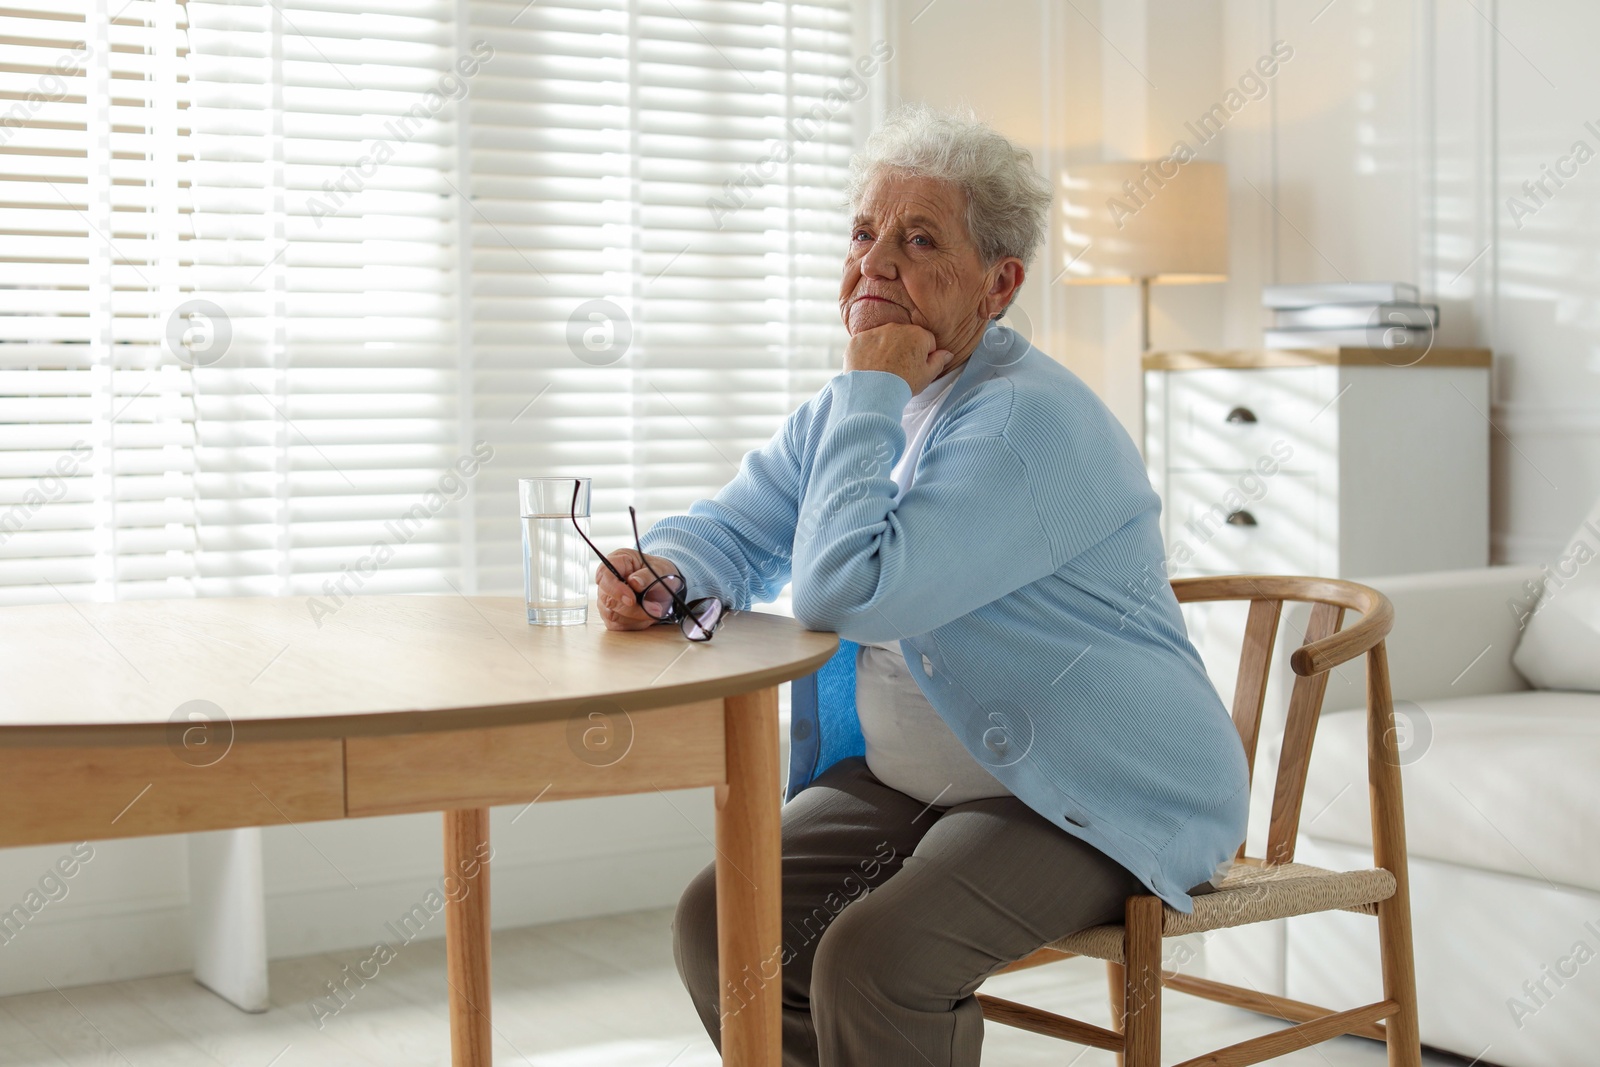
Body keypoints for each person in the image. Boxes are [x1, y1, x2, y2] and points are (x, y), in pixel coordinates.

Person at [592, 102, 1248, 1067]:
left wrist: (869, 385)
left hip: (1092, 787)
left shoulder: (1025, 424)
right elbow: (738, 521)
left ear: (999, 283)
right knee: (722, 919)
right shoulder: (857, 404)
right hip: (919, 779)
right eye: (865, 232)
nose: (875, 262)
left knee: (876, 958)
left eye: (919, 238)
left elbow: (847, 594)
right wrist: (671, 567)